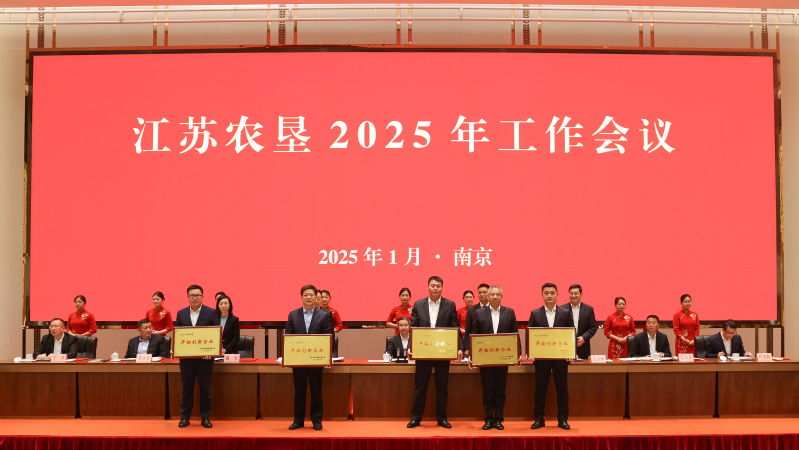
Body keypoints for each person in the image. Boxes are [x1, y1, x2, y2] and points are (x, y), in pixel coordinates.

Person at [407, 276, 461, 429]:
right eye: (433, 285)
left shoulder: (450, 305)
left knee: (442, 387)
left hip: (443, 352)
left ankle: (442, 418)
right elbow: (414, 328)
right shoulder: (418, 304)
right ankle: (416, 418)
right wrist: (411, 347)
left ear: (442, 288)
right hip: (424, 351)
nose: (435, 288)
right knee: (420, 387)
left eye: (438, 286)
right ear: (428, 287)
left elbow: (455, 327)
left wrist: (458, 347)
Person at [470, 286, 518, 431]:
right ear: (488, 297)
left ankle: (498, 419)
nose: (495, 297)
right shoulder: (479, 313)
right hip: (485, 359)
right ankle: (488, 419)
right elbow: (475, 335)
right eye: (493, 294)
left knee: (500, 390)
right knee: (488, 390)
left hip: (503, 358)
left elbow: (515, 334)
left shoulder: (509, 312)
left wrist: (517, 354)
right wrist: (472, 356)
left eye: (498, 294)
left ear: (502, 297)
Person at [286, 284, 333, 431]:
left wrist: (326, 358)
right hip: (298, 361)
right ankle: (298, 420)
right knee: (299, 391)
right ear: (301, 297)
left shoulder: (323, 315)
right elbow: (288, 337)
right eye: (305, 295)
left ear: (316, 297)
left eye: (311, 295)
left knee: (316, 391)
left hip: (316, 360)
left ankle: (317, 421)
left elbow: (328, 337)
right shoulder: (293, 315)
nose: (308, 297)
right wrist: (288, 358)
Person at [528, 283, 573, 430]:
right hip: (541, 359)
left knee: (562, 390)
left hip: (560, 359)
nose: (549, 295)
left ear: (557, 295)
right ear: (542, 295)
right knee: (540, 391)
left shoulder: (565, 312)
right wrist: (530, 352)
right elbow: (530, 335)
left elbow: (571, 333)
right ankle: (539, 419)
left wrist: (571, 352)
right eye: (546, 293)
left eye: (552, 293)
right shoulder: (535, 313)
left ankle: (563, 419)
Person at [174, 284, 220, 429]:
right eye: (192, 295)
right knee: (187, 388)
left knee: (205, 388)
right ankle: (185, 417)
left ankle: (205, 417)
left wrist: (212, 352)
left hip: (205, 359)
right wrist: (176, 349)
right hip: (186, 359)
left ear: (202, 297)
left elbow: (216, 334)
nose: (195, 298)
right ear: (187, 297)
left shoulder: (211, 312)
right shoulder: (181, 313)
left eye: (197, 295)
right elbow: (178, 334)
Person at [561, 284, 597, 360]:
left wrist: (584, 338)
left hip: (583, 347)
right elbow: (559, 327)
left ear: (581, 294)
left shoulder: (588, 309)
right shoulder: (562, 309)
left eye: (576, 293)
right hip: (565, 346)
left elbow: (593, 327)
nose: (573, 296)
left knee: (582, 367)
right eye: (571, 293)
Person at [463, 283, 491, 356]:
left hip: (492, 345)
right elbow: (468, 330)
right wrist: (467, 348)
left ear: (489, 293)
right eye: (480, 293)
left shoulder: (494, 308)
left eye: (484, 292)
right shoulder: (472, 310)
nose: (482, 294)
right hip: (477, 345)